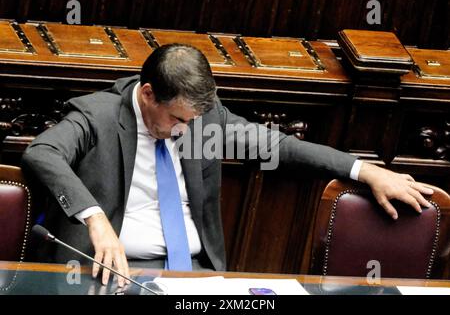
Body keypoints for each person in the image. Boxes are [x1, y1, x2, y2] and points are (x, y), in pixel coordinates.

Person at [21, 43, 434, 288]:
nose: (187, 132)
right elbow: (42, 153)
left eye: (195, 122)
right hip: (111, 275)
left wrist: (365, 170)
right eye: (178, 120)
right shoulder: (98, 116)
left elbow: (278, 146)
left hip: (196, 278)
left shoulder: (201, 121)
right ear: (148, 94)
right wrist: (94, 218)